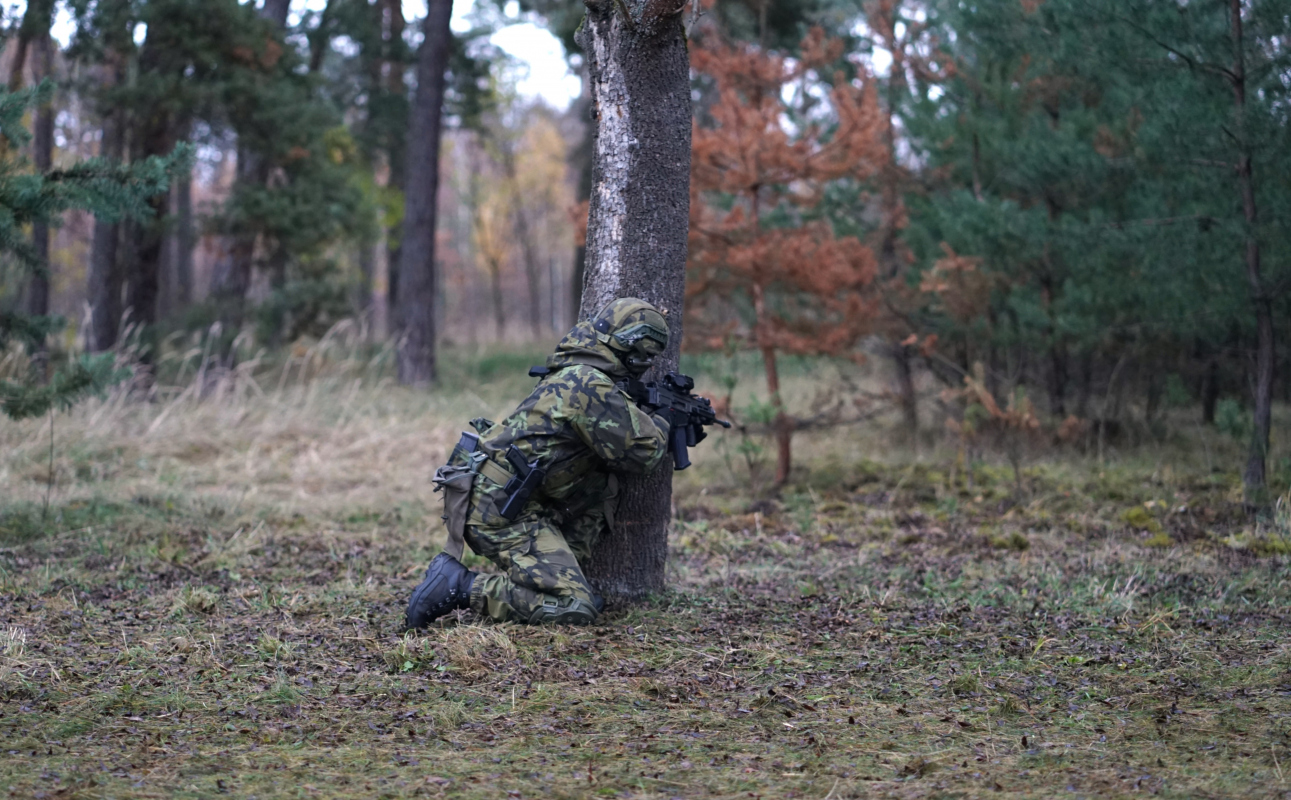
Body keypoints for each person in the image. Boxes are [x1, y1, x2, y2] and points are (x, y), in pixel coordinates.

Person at [405, 298, 673, 629]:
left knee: (602, 482)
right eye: (647, 355)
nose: (648, 363)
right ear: (633, 347)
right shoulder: (587, 383)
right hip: (502, 510)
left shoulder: (575, 374)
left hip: (511, 499)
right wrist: (664, 421)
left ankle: (557, 583)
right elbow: (644, 454)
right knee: (575, 607)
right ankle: (459, 587)